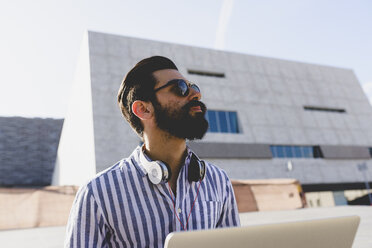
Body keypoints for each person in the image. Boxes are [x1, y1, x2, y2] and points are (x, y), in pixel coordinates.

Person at [64, 56, 240, 247]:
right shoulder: (97, 194)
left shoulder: (219, 180)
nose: (196, 95)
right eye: (180, 88)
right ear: (144, 109)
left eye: (194, 87)